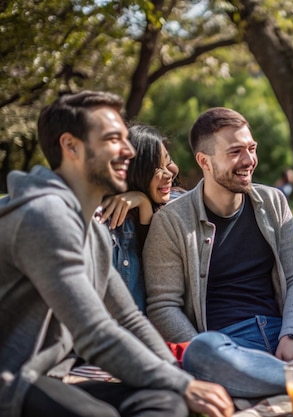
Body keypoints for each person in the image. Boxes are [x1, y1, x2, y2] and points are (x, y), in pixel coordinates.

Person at [0, 91, 233, 417]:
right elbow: (95, 332)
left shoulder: (90, 225)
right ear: (71, 146)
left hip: (54, 375)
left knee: (164, 400)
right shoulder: (44, 216)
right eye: (113, 139)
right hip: (14, 380)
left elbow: (128, 318)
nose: (129, 150)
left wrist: (176, 377)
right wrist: (184, 384)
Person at [142, 107, 293, 398]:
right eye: (235, 152)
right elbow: (163, 306)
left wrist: (291, 334)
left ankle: (276, 379)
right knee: (202, 351)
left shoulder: (273, 201)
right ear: (204, 161)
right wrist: (197, 348)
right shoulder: (171, 221)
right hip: (226, 346)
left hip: (284, 337)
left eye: (251, 148)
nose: (248, 160)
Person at [98, 124, 182, 313]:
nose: (168, 174)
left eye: (167, 162)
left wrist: (144, 205)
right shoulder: (110, 223)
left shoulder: (180, 206)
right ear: (134, 173)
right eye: (155, 169)